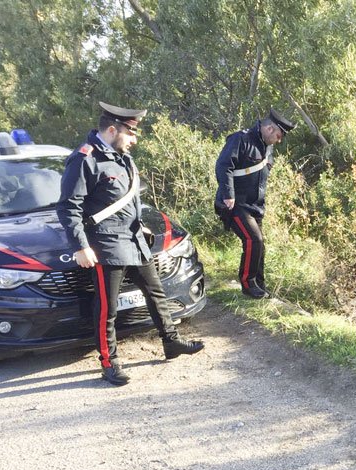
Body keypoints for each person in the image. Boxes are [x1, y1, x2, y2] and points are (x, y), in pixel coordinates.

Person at [57, 102, 204, 386]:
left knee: (156, 293)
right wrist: (80, 246)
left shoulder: (123, 156)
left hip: (135, 241)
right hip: (106, 246)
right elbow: (68, 207)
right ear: (113, 130)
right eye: (131, 133)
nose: (135, 139)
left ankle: (171, 342)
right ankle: (109, 363)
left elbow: (127, 197)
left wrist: (141, 223)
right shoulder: (85, 159)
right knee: (107, 308)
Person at [214, 108, 295, 299]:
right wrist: (228, 195)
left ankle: (260, 284)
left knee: (260, 245)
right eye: (278, 134)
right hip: (236, 204)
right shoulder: (240, 139)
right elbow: (223, 166)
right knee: (253, 240)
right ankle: (248, 284)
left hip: (255, 206)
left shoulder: (267, 147)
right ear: (268, 128)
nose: (279, 139)